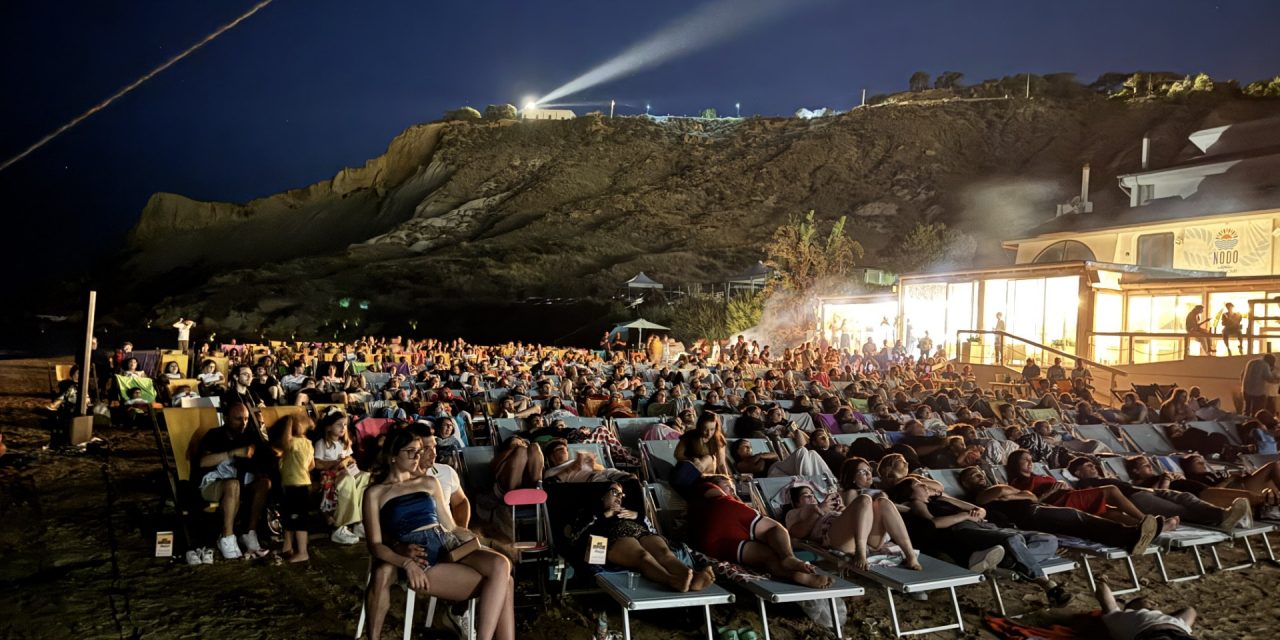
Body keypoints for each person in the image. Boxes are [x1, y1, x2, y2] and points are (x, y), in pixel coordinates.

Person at [362, 429, 514, 640]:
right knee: (505, 582)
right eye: (410, 452)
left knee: (502, 564)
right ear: (393, 456)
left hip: (446, 542)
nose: (418, 456)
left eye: (419, 451)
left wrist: (479, 540)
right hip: (419, 554)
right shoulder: (375, 493)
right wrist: (406, 563)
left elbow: (451, 527)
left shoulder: (428, 482)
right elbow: (375, 545)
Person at [888, 477, 1071, 606]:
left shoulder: (941, 498)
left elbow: (979, 509)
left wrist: (974, 512)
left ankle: (1007, 560)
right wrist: (964, 516)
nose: (925, 486)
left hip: (987, 527)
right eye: (919, 485)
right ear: (910, 493)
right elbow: (933, 524)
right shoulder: (917, 504)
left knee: (1048, 539)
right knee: (1013, 538)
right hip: (965, 530)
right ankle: (1047, 584)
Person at [957, 466, 1159, 555]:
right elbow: (1003, 491)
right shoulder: (979, 497)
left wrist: (1012, 496)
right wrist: (1012, 493)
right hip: (1029, 516)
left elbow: (1031, 496)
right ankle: (1131, 535)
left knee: (1082, 523)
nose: (980, 477)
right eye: (974, 476)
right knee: (1078, 519)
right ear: (966, 484)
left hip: (1035, 508)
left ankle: (1129, 537)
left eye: (980, 474)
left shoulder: (994, 490)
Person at [688, 475, 833, 588]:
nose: (733, 491)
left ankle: (793, 574)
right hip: (723, 511)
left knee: (768, 557)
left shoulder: (695, 506)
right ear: (716, 483)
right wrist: (734, 498)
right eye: (728, 486)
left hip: (708, 543)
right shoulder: (707, 487)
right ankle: (788, 557)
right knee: (774, 528)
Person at [564, 482, 715, 592]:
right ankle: (673, 580)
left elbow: (652, 529)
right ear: (602, 496)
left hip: (641, 533)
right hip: (615, 537)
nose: (619, 498)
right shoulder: (590, 512)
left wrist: (638, 516)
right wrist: (605, 515)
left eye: (621, 495)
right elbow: (576, 536)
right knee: (643, 556)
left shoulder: (630, 513)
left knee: (665, 554)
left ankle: (694, 577)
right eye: (614, 492)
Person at [1069, 458, 1248, 530]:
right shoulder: (1084, 483)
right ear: (1078, 473)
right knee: (1179, 510)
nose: (1094, 467)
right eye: (1088, 466)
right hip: (1135, 499)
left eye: (1093, 464)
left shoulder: (1106, 478)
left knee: (1187, 497)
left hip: (1147, 491)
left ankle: (1223, 513)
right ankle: (1222, 517)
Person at [784, 481, 921, 572]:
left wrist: (844, 511)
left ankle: (910, 555)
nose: (812, 498)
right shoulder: (794, 512)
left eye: (813, 494)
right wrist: (818, 510)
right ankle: (860, 553)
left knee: (883, 502)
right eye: (806, 496)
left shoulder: (824, 507)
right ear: (796, 503)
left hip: (865, 537)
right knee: (864, 498)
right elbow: (796, 533)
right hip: (835, 537)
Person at [193, 403, 272, 559]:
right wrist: (232, 453)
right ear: (226, 418)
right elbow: (202, 462)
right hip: (212, 483)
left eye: (246, 419)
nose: (243, 423)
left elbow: (264, 461)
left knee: (264, 483)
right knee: (232, 484)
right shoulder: (214, 435)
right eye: (238, 419)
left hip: (241, 482)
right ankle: (226, 536)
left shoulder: (249, 435)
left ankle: (249, 533)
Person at [1005, 450, 1148, 524]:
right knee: (1111, 490)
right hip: (1059, 504)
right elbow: (1029, 505)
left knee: (1108, 511)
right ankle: (1145, 519)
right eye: (1025, 460)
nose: (1030, 463)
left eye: (1031, 460)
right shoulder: (1017, 483)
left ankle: (1144, 528)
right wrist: (1051, 491)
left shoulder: (1037, 476)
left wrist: (1065, 486)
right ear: (1015, 463)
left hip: (1068, 496)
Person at [270, 413, 314, 562]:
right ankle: (287, 548)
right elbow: (311, 465)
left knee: (298, 520)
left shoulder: (295, 442)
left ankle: (302, 552)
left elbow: (285, 442)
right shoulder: (308, 443)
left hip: (297, 487)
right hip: (300, 484)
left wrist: (289, 420)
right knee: (289, 517)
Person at [1094, 578, 1198, 640]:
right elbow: (1102, 590)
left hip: (1180, 634)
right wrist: (1101, 581)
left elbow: (1190, 611)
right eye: (1147, 601)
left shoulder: (1166, 618)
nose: (1154, 603)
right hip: (1153, 635)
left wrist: (1163, 616)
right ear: (1133, 605)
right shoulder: (1118, 616)